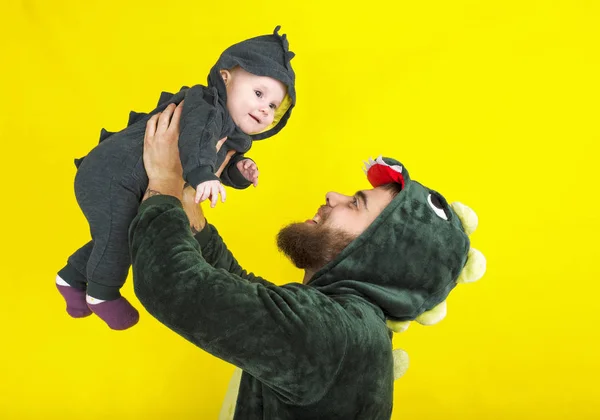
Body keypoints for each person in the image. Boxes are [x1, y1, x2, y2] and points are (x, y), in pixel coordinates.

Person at [130, 103, 478, 419]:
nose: (333, 196)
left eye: (356, 204)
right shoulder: (348, 327)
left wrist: (164, 182)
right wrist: (190, 208)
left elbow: (173, 285)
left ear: (379, 252)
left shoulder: (333, 333)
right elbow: (251, 295)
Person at [56, 26, 296, 330]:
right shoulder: (206, 106)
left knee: (129, 235)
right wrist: (201, 174)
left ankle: (70, 278)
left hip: (130, 185)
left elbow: (217, 164)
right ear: (226, 77)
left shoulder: (232, 136)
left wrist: (238, 172)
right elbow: (195, 141)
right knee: (118, 239)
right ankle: (102, 294)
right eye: (259, 93)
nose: (264, 108)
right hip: (113, 177)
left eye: (273, 106)